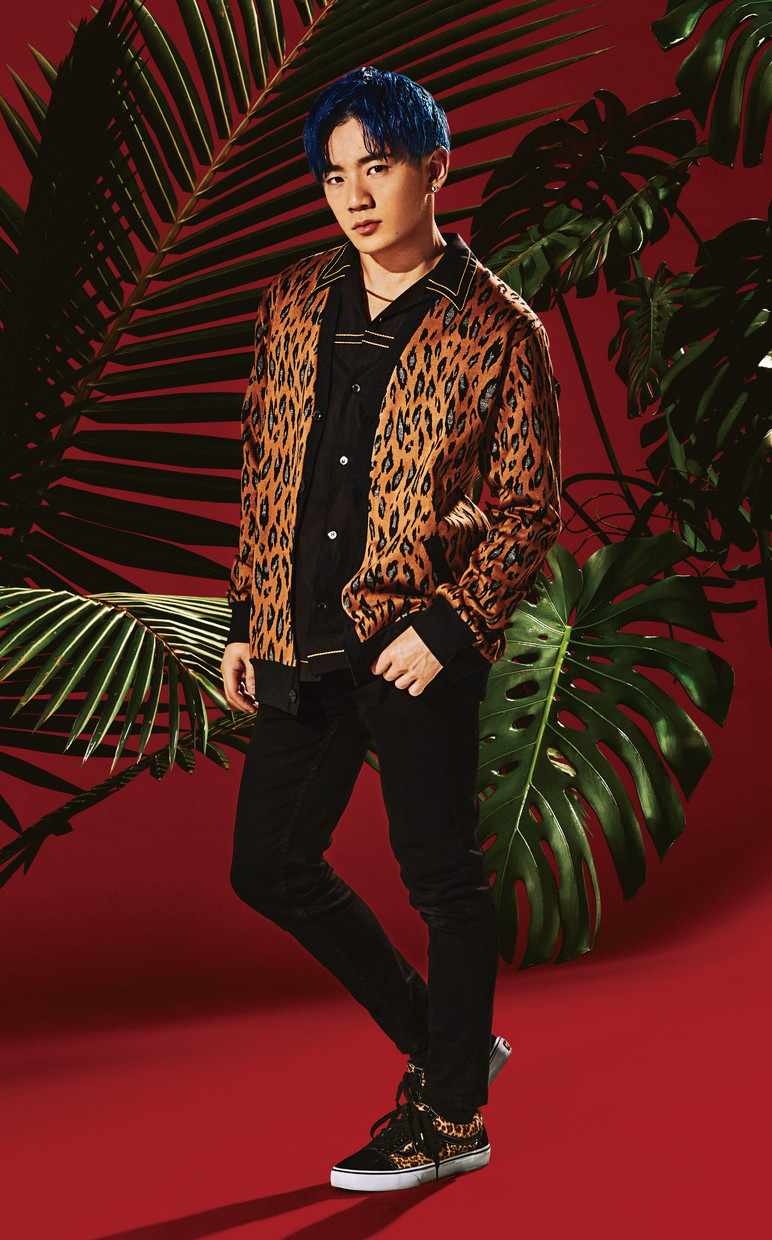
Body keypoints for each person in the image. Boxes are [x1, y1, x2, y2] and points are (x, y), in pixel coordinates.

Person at [221, 66, 561, 1192]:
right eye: (335, 176)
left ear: (434, 169)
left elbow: (529, 512)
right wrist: (247, 615)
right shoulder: (293, 301)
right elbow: (265, 466)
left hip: (416, 644)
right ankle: (448, 1044)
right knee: (270, 864)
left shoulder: (496, 327)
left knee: (441, 883)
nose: (356, 196)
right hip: (301, 635)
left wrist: (452, 628)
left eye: (378, 167)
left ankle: (452, 1116)